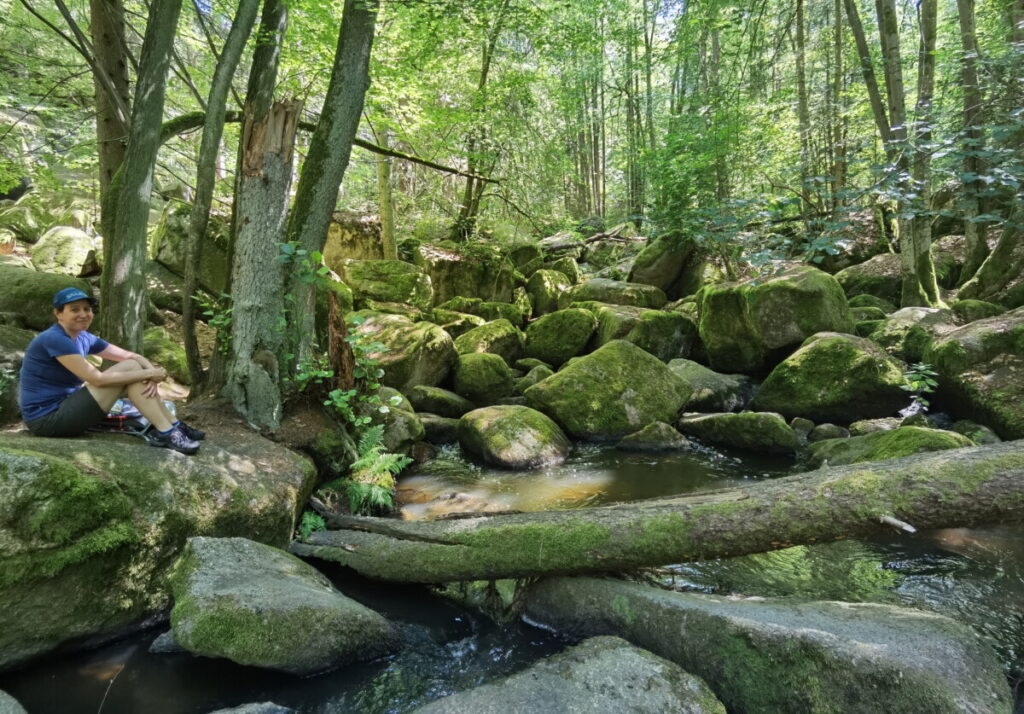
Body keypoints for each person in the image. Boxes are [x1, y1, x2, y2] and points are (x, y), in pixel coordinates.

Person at [18, 287, 204, 455]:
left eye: (87, 309)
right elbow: (97, 379)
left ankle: (173, 425)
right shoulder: (55, 339)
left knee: (133, 366)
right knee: (133, 371)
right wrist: (149, 374)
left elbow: (131, 356)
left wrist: (151, 371)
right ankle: (167, 431)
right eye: (74, 309)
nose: (83, 314)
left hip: (67, 406)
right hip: (48, 419)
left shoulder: (83, 337)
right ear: (58, 314)